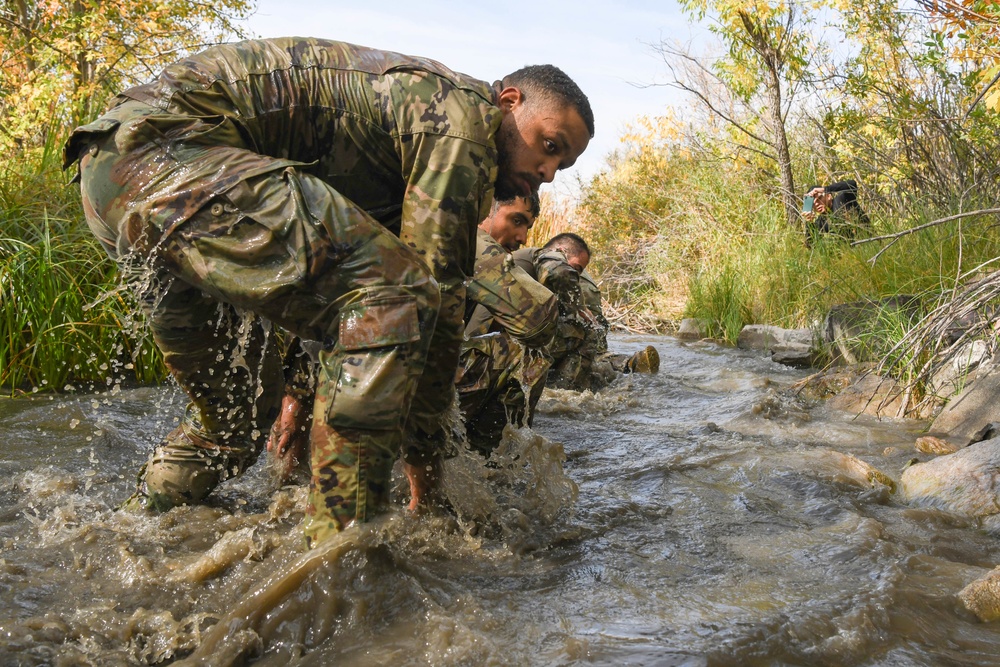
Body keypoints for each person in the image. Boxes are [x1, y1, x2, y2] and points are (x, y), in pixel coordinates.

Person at [62, 37, 593, 546]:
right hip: (167, 151)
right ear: (509, 101)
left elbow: (328, 294)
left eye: (561, 165)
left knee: (236, 420)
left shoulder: (410, 160)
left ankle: (120, 537)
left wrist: (294, 396)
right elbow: (430, 304)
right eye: (549, 146)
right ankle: (342, 549)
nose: (546, 172)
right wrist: (426, 472)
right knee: (398, 296)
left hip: (116, 176)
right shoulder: (462, 125)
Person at [457, 193, 559, 456]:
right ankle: (486, 459)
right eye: (516, 220)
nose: (523, 236)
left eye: (527, 227)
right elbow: (538, 322)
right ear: (484, 211)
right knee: (528, 357)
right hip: (400, 383)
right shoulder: (470, 240)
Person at [802, 179, 871, 245]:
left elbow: (852, 184)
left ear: (829, 196)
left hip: (870, 241)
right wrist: (809, 222)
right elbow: (811, 244)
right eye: (813, 204)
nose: (816, 204)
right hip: (850, 252)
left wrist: (826, 189)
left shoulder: (842, 199)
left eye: (819, 198)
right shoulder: (821, 221)